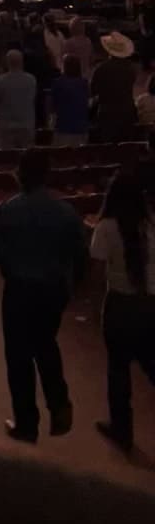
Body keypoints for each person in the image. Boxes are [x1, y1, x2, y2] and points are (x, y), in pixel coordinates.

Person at [0, 147, 88, 443]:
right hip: (54, 291)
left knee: (18, 356)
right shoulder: (66, 212)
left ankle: (27, 423)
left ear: (19, 175)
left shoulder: (5, 211)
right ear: (47, 175)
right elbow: (81, 255)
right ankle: (60, 404)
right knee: (46, 344)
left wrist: (11, 258)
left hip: (19, 289)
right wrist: (71, 285)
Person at [90, 170, 155, 451]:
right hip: (150, 304)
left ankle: (122, 430)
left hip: (119, 304)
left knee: (118, 371)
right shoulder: (151, 226)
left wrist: (94, 306)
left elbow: (95, 272)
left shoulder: (106, 227)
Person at [91, 32, 137, 143]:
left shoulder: (101, 69)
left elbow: (93, 90)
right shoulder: (131, 69)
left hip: (108, 113)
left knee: (108, 148)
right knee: (126, 147)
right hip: (127, 112)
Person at [0, 50, 37, 149]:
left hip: (7, 125)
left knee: (7, 158)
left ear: (7, 62)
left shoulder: (0, 80)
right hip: (26, 124)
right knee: (26, 156)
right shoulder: (31, 79)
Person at [49, 55, 90, 147]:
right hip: (81, 127)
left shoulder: (58, 83)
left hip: (63, 127)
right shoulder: (84, 83)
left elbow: (53, 105)